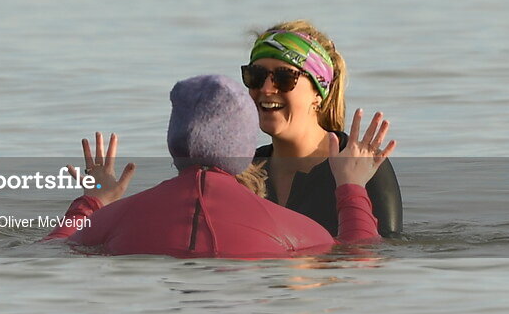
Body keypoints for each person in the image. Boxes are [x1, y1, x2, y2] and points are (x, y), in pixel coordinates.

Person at [45, 75, 396, 258]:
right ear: (244, 146)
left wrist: (93, 201)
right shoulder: (294, 229)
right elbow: (359, 256)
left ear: (174, 139)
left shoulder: (114, 219)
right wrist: (351, 188)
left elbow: (50, 252)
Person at [242, 21, 402, 237]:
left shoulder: (360, 164)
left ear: (318, 93)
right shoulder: (245, 170)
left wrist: (350, 187)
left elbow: (383, 257)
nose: (266, 89)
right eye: (256, 77)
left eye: (284, 78)